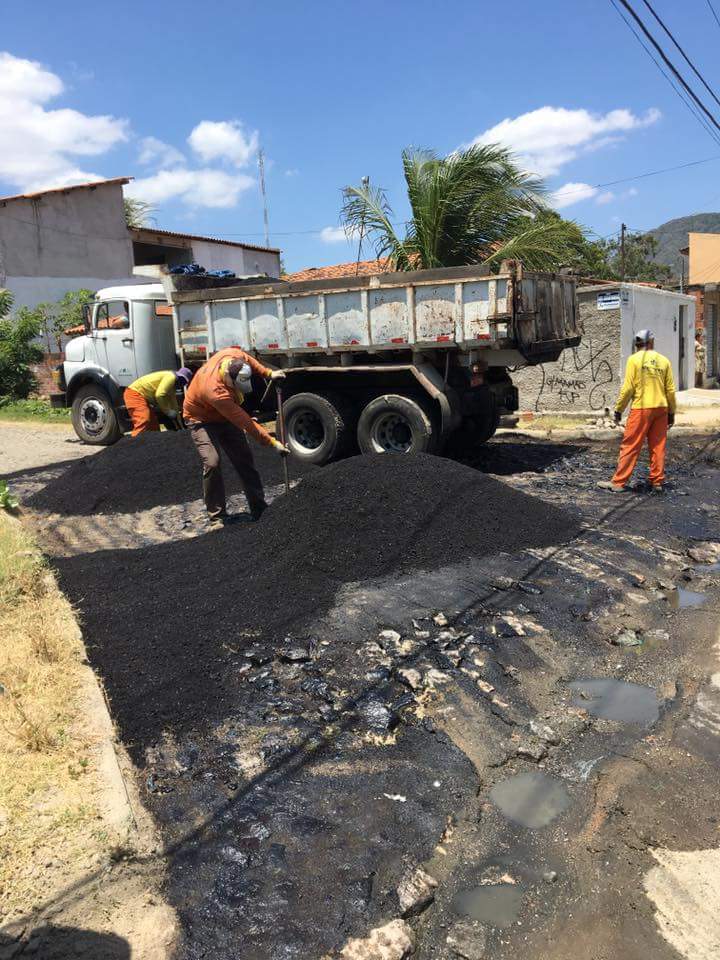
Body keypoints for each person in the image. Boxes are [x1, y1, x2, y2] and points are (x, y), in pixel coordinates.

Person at [182, 346, 288, 525]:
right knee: (212, 462)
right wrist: (271, 442)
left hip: (224, 416)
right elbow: (245, 421)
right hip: (200, 418)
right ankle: (217, 515)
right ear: (227, 379)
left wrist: (268, 373)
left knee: (244, 459)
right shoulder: (216, 392)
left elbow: (250, 359)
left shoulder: (233, 355)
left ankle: (259, 509)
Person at [598, 329, 676, 494]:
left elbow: (628, 388)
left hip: (641, 408)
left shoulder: (633, 360)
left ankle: (618, 483)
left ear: (637, 344)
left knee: (631, 445)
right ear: (652, 342)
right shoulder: (664, 361)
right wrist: (672, 412)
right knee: (658, 446)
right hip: (661, 409)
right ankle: (657, 482)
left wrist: (619, 409)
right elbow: (670, 390)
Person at [124, 368, 193, 437]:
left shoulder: (171, 387)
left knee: (153, 423)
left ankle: (155, 441)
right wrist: (167, 411)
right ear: (179, 377)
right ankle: (135, 441)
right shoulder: (171, 377)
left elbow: (174, 406)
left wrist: (180, 426)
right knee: (143, 419)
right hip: (134, 393)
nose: (181, 383)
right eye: (182, 380)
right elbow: (159, 395)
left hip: (143, 397)